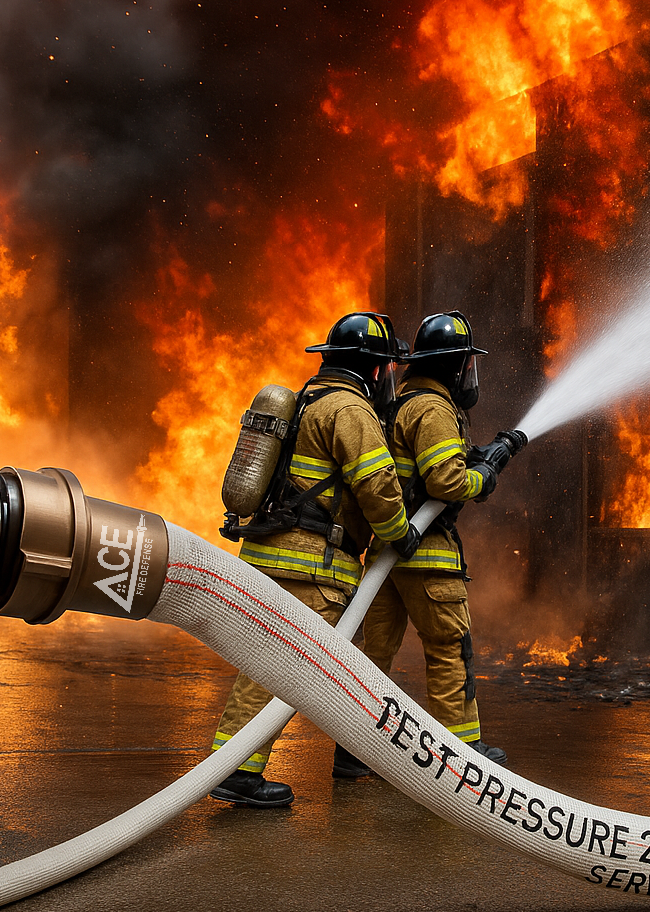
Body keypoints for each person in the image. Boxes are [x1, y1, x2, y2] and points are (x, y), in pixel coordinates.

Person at [209, 312, 419, 807]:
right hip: (310, 567)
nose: (389, 377)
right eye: (386, 367)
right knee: (283, 668)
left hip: (269, 555)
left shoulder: (305, 402)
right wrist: (399, 533)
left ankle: (346, 753)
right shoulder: (350, 410)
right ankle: (238, 770)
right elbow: (376, 485)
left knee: (294, 665)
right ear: (372, 369)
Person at [358, 311, 507, 770]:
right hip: (426, 554)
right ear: (455, 365)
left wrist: (476, 454)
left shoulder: (403, 402)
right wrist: (483, 476)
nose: (469, 373)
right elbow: (445, 480)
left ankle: (352, 751)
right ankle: (465, 753)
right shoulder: (434, 408)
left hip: (388, 554)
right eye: (466, 363)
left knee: (370, 658)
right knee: (448, 647)